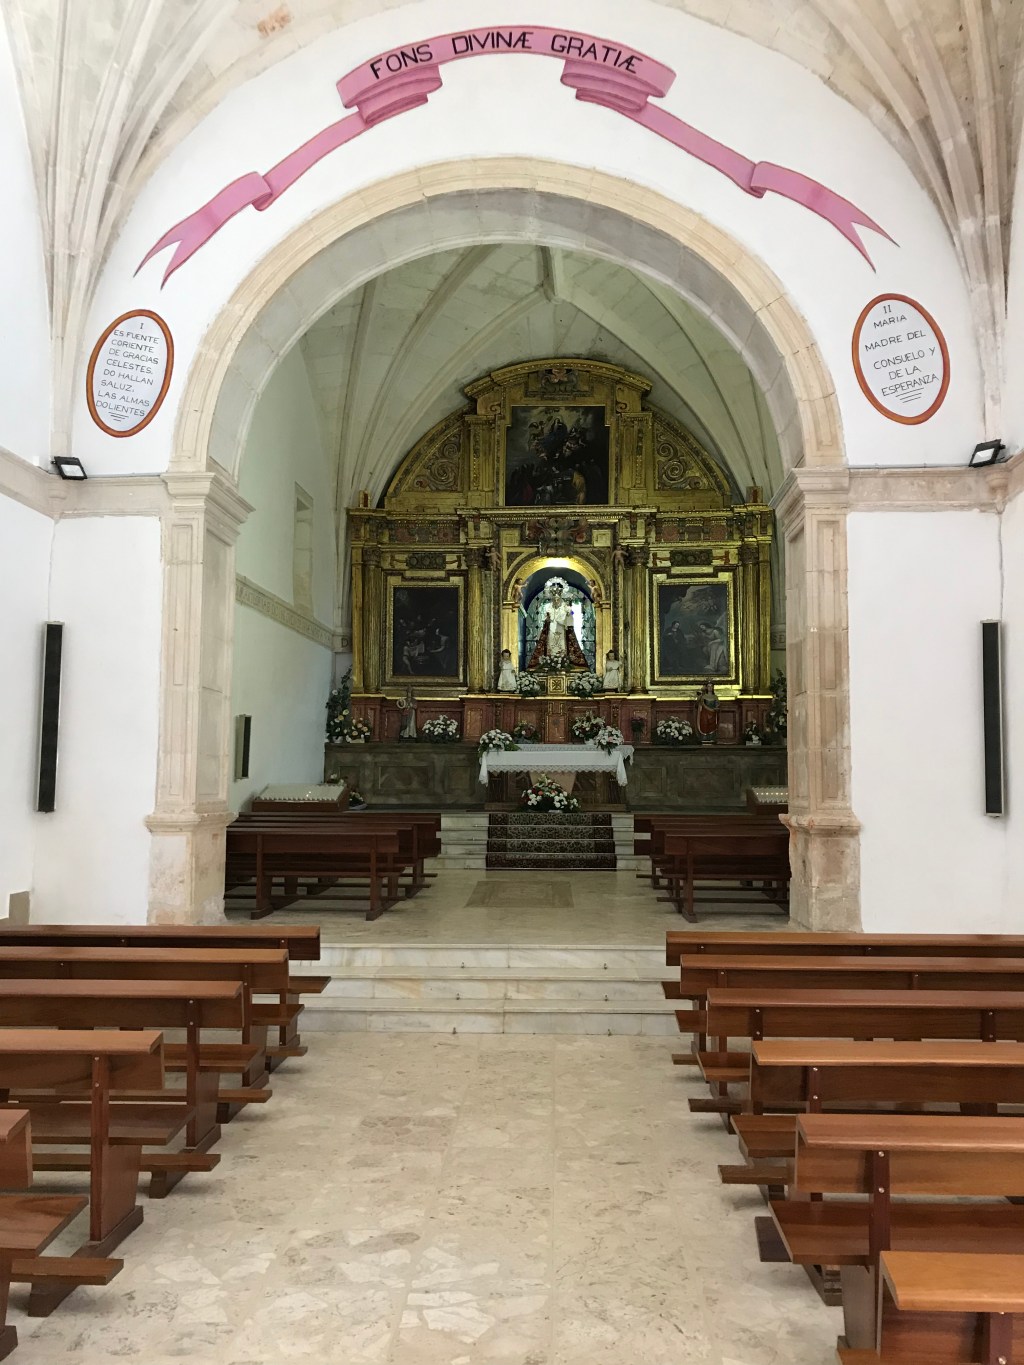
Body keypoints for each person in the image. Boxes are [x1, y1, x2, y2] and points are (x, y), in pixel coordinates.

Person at [527, 578, 588, 668]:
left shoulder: (565, 607)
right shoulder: (549, 608)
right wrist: (548, 619)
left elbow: (572, 614)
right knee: (551, 643)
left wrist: (569, 613)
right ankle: (550, 660)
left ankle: (563, 659)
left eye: (557, 599)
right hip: (552, 627)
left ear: (560, 599)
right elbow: (546, 620)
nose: (556, 601)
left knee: (562, 643)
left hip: (562, 627)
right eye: (554, 599)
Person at [695, 679, 720, 743]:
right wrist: (699, 700)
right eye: (708, 686)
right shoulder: (703, 696)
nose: (710, 688)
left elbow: (717, 705)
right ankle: (704, 737)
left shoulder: (715, 697)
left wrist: (716, 708)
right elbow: (698, 705)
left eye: (711, 686)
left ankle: (711, 737)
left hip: (713, 714)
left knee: (712, 726)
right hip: (704, 714)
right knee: (704, 724)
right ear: (706, 687)